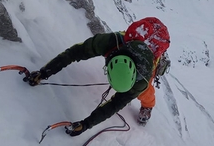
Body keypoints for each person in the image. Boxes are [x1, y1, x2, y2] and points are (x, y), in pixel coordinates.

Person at [25, 20, 170, 135]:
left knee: (146, 94)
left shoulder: (142, 81)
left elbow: (114, 105)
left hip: (150, 52)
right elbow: (75, 52)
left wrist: (87, 124)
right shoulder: (110, 42)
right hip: (135, 41)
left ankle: (147, 107)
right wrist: (44, 72)